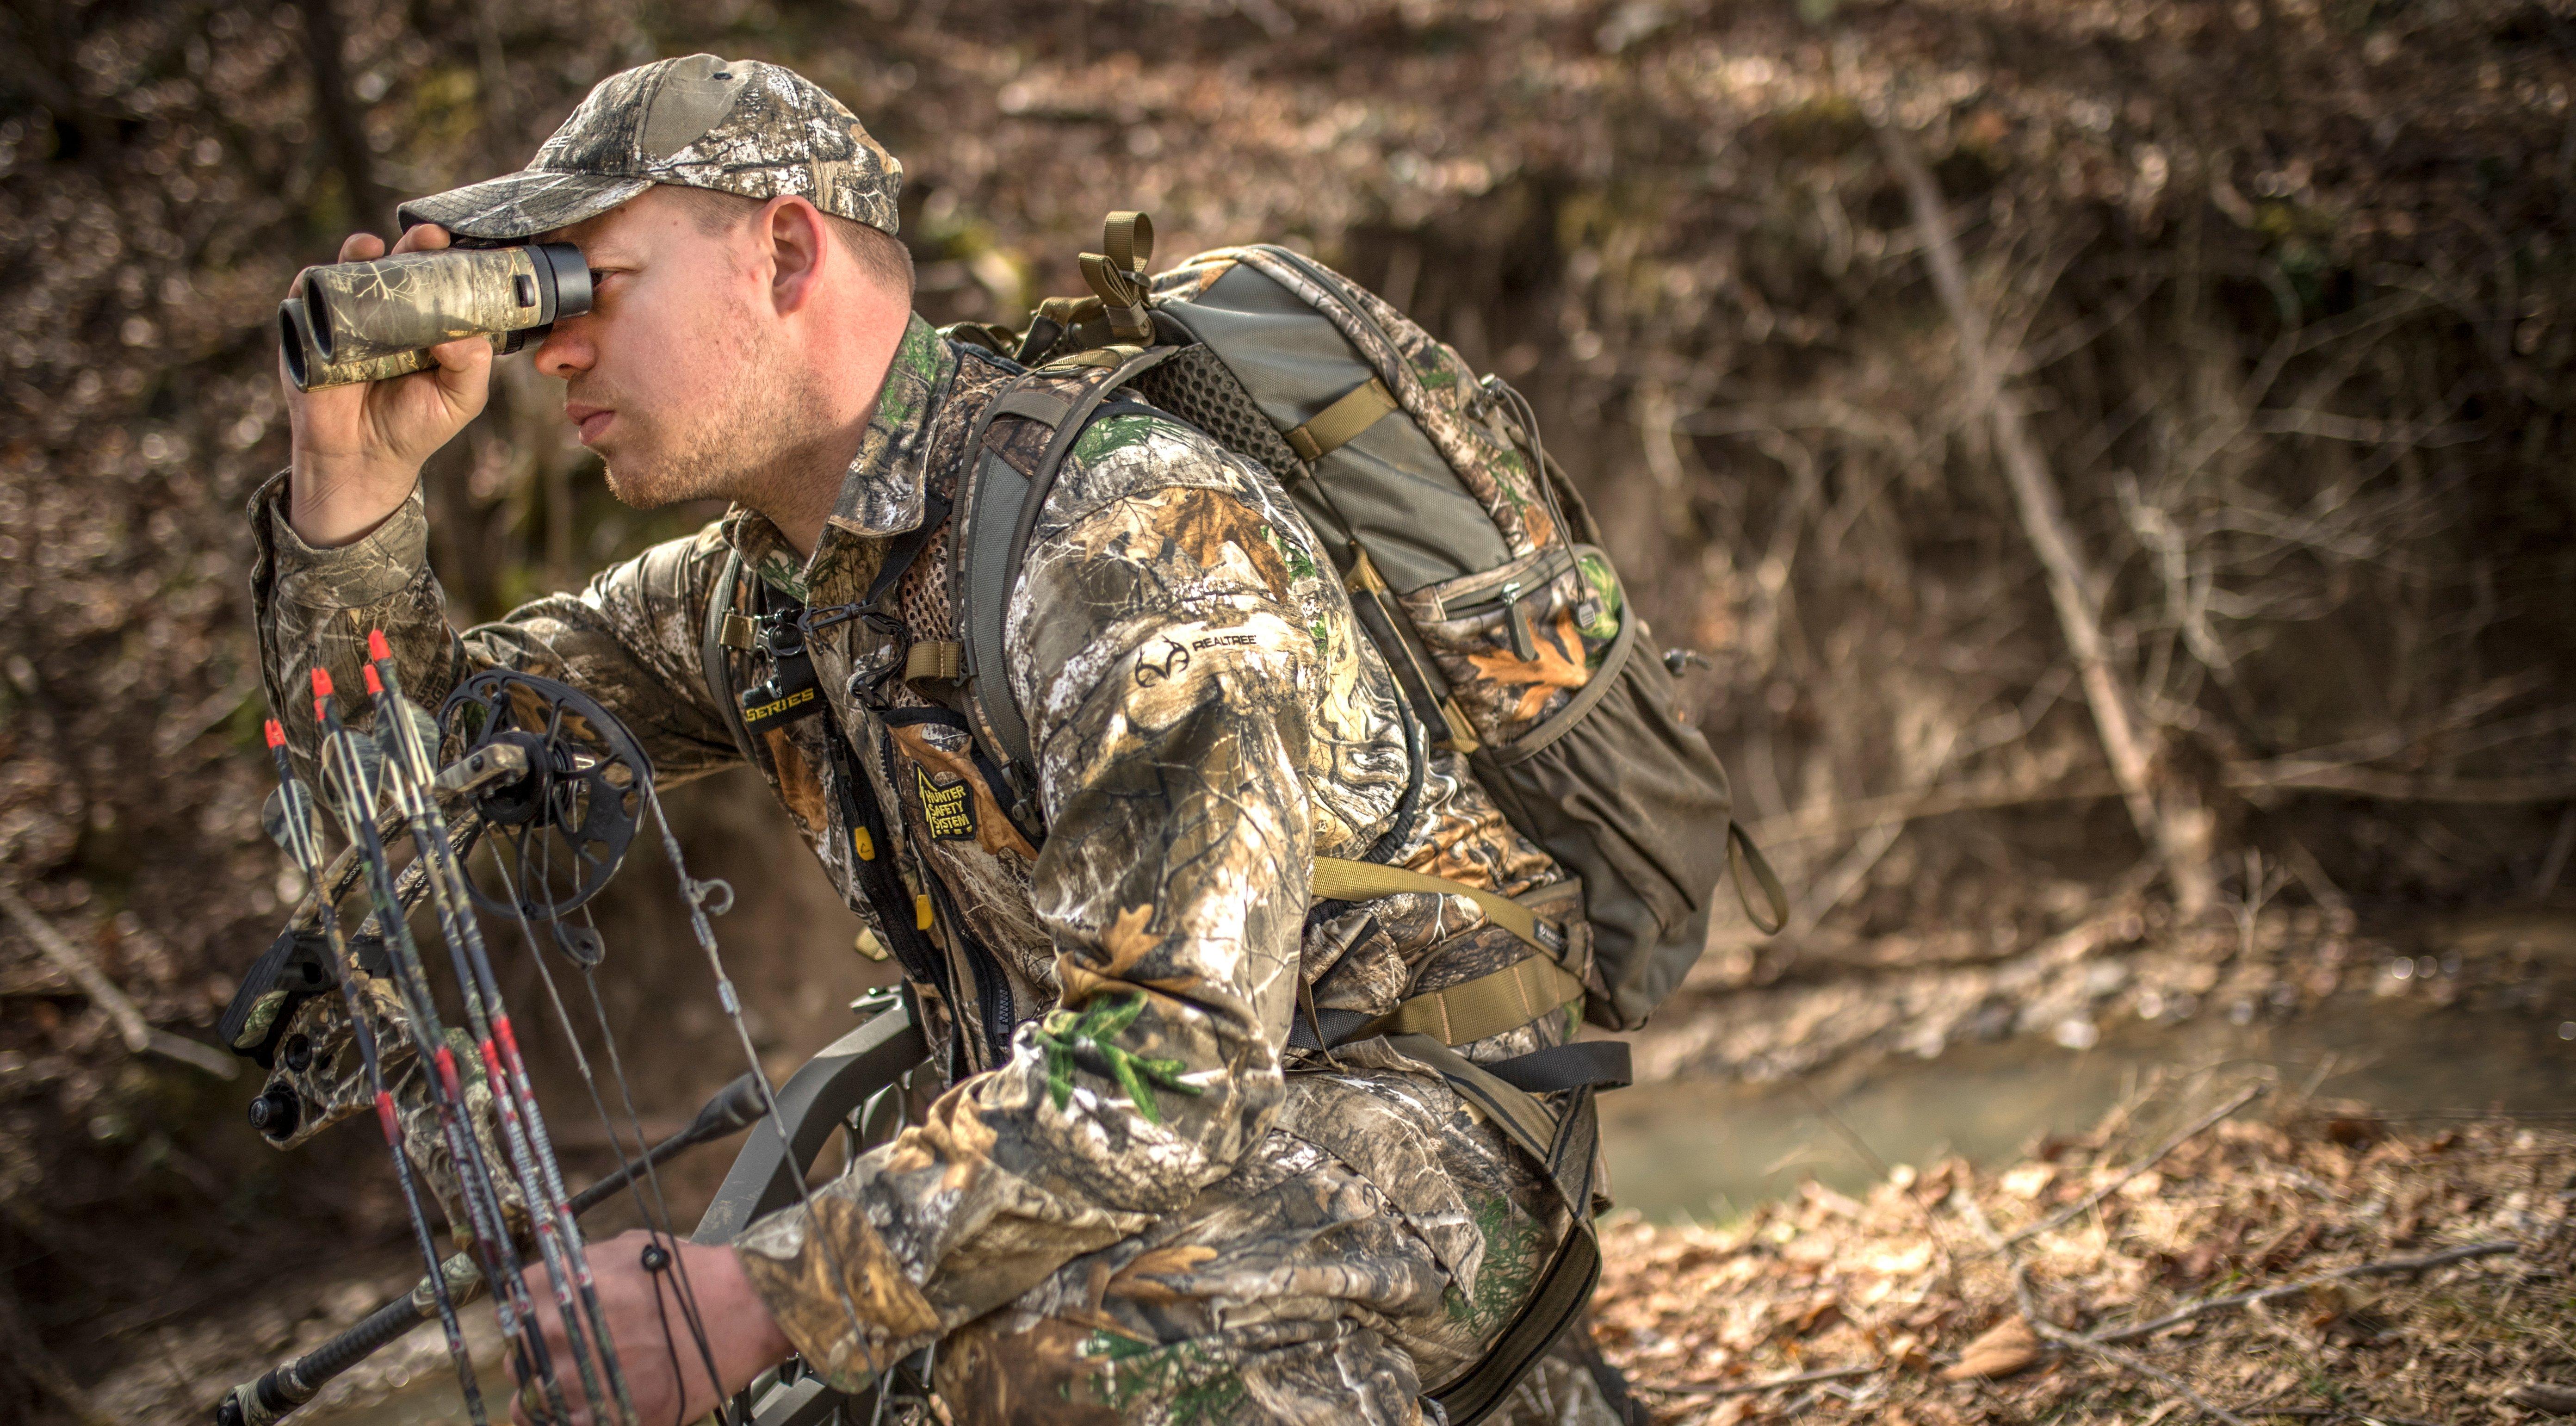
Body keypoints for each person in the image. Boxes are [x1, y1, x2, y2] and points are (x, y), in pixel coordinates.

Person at [258, 54, 1624, 1426]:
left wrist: (754, 1296)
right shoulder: (767, 591)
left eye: (588, 284)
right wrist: (351, 506)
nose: (551, 347)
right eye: (533, 296)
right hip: (1165, 1139)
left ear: (786, 250)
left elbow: (1173, 1063)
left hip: (1416, 1121)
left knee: (1057, 1353)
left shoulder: (1123, 536)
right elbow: (414, 780)